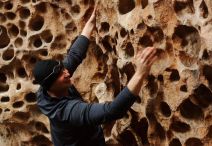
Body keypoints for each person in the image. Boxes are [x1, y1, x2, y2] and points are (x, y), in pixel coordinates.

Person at [32, 6, 157, 146]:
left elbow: (74, 55)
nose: (66, 73)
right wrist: (140, 73)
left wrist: (90, 23)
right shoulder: (67, 113)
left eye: (62, 69)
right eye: (60, 75)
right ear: (51, 86)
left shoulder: (49, 88)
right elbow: (112, 111)